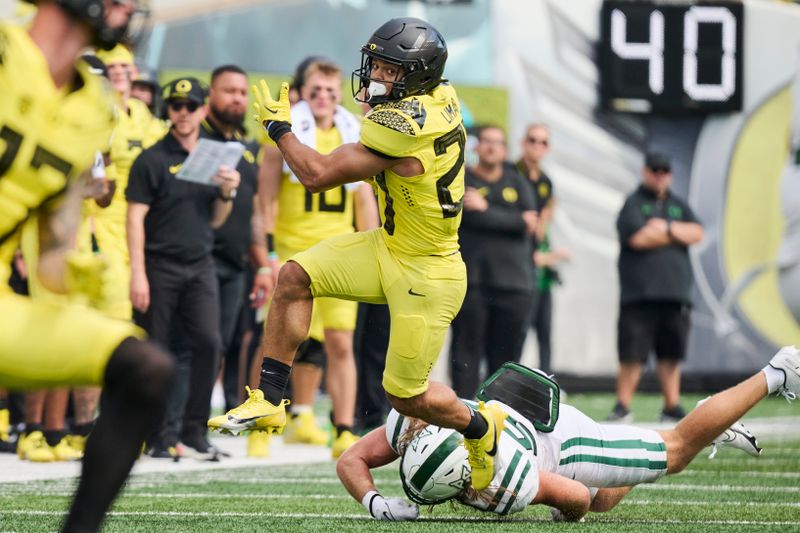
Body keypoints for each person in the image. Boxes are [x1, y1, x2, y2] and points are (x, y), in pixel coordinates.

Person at [209, 16, 506, 491]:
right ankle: (268, 397)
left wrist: (280, 128)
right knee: (294, 276)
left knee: (405, 396)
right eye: (379, 66)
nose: (376, 77)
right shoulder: (441, 95)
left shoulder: (406, 127)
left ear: (417, 75)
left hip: (428, 272)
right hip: (390, 244)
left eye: (389, 70)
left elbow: (316, 172)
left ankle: (480, 426)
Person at [0, 1, 173, 532]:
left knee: (147, 368)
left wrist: (71, 272)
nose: (127, 10)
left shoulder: (95, 110)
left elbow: (51, 243)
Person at [336, 346, 800, 522]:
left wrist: (564, 513)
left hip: (563, 441)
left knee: (674, 453)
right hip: (514, 416)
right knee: (605, 498)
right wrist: (376, 504)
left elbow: (574, 496)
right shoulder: (413, 423)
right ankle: (702, 428)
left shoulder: (503, 481)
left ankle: (778, 372)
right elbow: (351, 458)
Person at [258, 57, 378, 458]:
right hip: (295, 248)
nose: (324, 98)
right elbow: (267, 198)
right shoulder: (286, 132)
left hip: (340, 250)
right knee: (283, 338)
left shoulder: (353, 131)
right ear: (303, 92)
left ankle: (343, 427)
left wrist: (371, 243)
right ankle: (264, 419)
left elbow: (364, 198)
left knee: (340, 342)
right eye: (316, 91)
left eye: (331, 91)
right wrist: (269, 252)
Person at [126, 77, 241, 457]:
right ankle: (159, 436)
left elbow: (216, 220)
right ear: (168, 111)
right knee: (157, 351)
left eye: (191, 106)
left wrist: (227, 190)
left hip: (199, 264)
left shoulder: (212, 158)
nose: (184, 113)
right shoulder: (152, 159)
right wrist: (138, 272)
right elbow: (134, 218)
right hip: (160, 265)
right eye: (177, 106)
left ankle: (193, 432)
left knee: (210, 343)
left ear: (202, 110)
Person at [167, 65, 272, 459]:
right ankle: (170, 429)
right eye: (229, 91)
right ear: (210, 95)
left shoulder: (245, 146)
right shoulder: (196, 139)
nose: (237, 99)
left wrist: (263, 263)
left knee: (218, 346)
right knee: (188, 345)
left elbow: (255, 209)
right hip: (197, 256)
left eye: (243, 92)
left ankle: (194, 431)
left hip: (236, 263)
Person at [608, 152, 704, 423]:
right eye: (655, 170)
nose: (660, 175)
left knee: (671, 354)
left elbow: (697, 233)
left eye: (664, 170)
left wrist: (666, 228)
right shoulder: (633, 203)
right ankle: (622, 405)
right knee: (632, 356)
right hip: (639, 296)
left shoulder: (678, 205)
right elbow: (638, 238)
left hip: (674, 296)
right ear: (645, 171)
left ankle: (671, 405)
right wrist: (676, 235)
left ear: (670, 173)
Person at [449, 125, 538, 398]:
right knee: (466, 352)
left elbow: (531, 222)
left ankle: (503, 416)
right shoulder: (460, 180)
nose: (491, 147)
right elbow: (461, 215)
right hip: (472, 282)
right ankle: (464, 414)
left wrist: (486, 210)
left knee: (506, 360)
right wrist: (512, 220)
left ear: (505, 150)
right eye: (486, 141)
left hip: (513, 285)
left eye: (497, 143)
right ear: (476, 147)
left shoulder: (517, 181)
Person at [516, 123, 559, 374]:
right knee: (517, 331)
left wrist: (544, 253)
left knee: (544, 330)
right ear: (524, 142)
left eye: (543, 142)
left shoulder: (545, 183)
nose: (537, 146)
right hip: (514, 262)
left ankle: (546, 381)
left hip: (536, 266)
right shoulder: (512, 173)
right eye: (532, 140)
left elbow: (542, 225)